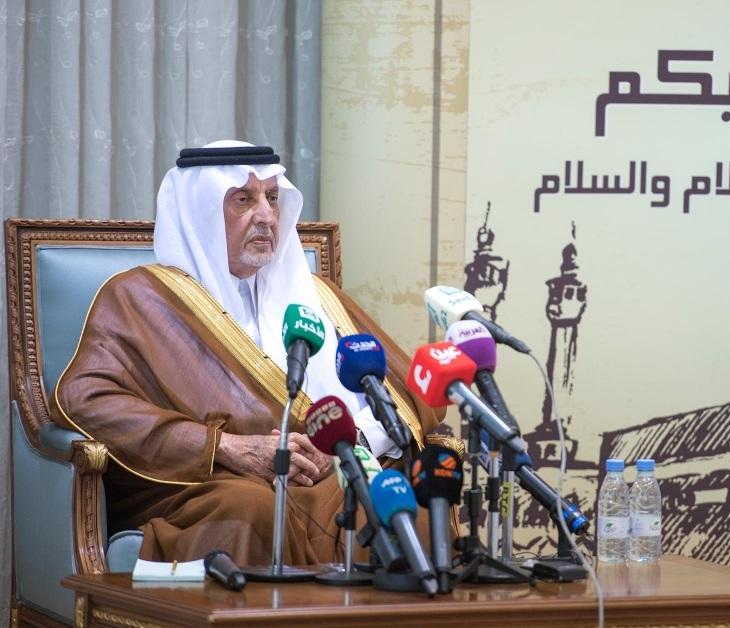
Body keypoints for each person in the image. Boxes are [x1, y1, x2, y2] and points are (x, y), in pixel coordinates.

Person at [52, 140, 445, 566]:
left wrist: (346, 445)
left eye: (272, 198)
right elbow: (86, 401)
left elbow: (409, 393)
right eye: (243, 199)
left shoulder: (317, 298)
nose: (267, 216)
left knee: (406, 511)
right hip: (207, 484)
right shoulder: (139, 298)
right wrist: (224, 447)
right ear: (200, 213)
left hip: (326, 479)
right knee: (251, 512)